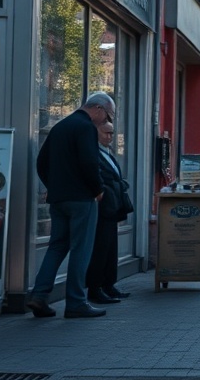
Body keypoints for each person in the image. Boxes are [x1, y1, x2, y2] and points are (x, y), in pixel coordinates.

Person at [25, 93, 112, 319]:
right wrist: (98, 189)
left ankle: (39, 295)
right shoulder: (86, 127)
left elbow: (41, 162)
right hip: (82, 199)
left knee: (56, 246)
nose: (105, 121)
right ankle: (76, 302)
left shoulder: (60, 126)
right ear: (98, 108)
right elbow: (90, 162)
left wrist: (53, 186)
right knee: (81, 249)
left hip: (59, 199)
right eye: (107, 116)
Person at [85, 119, 131, 304]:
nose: (110, 137)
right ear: (95, 132)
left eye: (112, 133)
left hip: (112, 207)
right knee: (100, 248)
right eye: (106, 133)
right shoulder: (93, 152)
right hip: (101, 207)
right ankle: (95, 288)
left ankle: (108, 285)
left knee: (110, 248)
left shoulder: (107, 152)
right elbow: (96, 177)